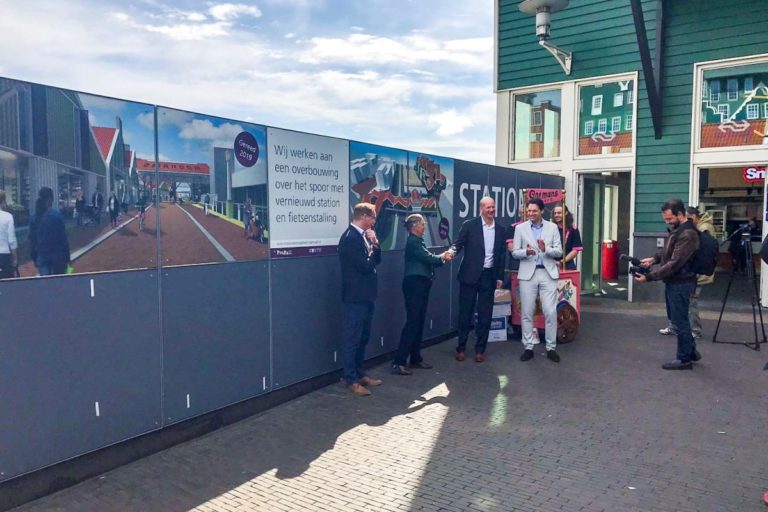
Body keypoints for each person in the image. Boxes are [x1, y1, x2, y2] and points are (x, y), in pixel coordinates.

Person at [635, 198, 700, 370]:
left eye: (669, 219)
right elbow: (668, 252)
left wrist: (650, 277)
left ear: (680, 214)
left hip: (681, 282)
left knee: (680, 321)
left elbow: (675, 262)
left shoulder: (687, 234)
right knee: (680, 319)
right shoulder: (680, 230)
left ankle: (684, 359)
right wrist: (654, 259)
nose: (667, 222)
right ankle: (691, 351)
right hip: (677, 281)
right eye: (665, 219)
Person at [391, 214, 453, 375]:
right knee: (413, 322)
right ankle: (399, 361)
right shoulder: (413, 242)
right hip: (414, 285)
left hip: (420, 284)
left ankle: (415, 358)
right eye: (422, 224)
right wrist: (443, 257)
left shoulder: (417, 241)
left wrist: (440, 259)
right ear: (414, 226)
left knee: (418, 321)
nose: (424, 226)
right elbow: (427, 258)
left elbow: (427, 259)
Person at [451, 196, 507, 362]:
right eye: (488, 207)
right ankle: (461, 347)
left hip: (488, 276)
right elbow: (458, 244)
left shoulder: (501, 230)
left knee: (485, 314)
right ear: (481, 209)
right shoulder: (469, 225)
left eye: (493, 207)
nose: (491, 210)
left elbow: (501, 256)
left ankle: (480, 350)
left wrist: (499, 277)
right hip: (469, 275)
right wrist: (451, 252)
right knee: (465, 312)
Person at [338, 202, 383, 396]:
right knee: (352, 338)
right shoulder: (350, 238)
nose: (374, 221)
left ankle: (360, 372)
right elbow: (365, 266)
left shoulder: (364, 236)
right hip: (355, 298)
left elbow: (377, 260)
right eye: (372, 217)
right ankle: (351, 379)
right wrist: (373, 247)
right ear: (364, 216)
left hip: (366, 296)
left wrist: (375, 244)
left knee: (363, 337)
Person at [512, 197, 563, 363]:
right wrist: (526, 252)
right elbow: (514, 252)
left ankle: (551, 347)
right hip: (528, 273)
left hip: (547, 273)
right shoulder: (520, 228)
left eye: (534, 211)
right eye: (529, 211)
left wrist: (545, 249)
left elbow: (559, 252)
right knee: (527, 311)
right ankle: (528, 346)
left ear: (542, 211)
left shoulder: (553, 228)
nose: (531, 214)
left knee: (550, 311)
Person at [658, 206, 714, 339]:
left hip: (692, 274)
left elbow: (692, 253)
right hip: (686, 274)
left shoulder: (697, 230)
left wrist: (652, 275)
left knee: (690, 303)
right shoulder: (688, 230)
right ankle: (677, 328)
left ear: (692, 217)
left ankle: (694, 330)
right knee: (680, 304)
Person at [29, 187, 71, 276]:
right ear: (50, 199)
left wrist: (34, 257)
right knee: (58, 284)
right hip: (58, 257)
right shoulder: (56, 215)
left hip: (42, 256)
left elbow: (32, 239)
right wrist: (67, 258)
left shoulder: (34, 218)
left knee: (45, 284)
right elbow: (63, 239)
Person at [553, 205, 582, 270]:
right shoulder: (551, 228)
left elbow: (575, 250)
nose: (556, 215)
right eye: (555, 213)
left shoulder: (573, 229)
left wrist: (562, 261)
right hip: (551, 264)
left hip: (567, 264)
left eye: (559, 213)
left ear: (566, 213)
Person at [0, 190, 18, 279]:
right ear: (3, 201)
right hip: (4, 255)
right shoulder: (8, 217)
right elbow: (12, 241)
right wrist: (15, 259)